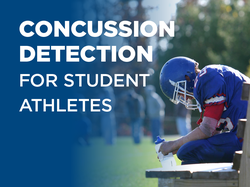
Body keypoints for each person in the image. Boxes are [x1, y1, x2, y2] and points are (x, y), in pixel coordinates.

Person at [159, 56, 250, 165]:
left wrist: (174, 144)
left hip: (246, 138)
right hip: (244, 135)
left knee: (187, 152)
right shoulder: (210, 77)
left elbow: (207, 129)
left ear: (187, 77)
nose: (184, 97)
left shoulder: (207, 77)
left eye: (179, 91)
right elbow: (213, 132)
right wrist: (180, 145)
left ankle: (206, 182)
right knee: (188, 149)